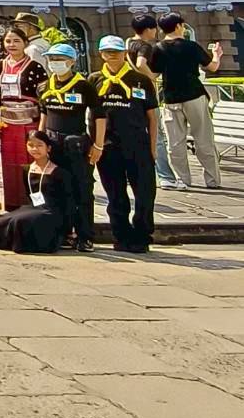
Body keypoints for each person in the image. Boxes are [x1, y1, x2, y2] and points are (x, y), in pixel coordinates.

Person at [91, 35, 158, 253]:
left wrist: (153, 147)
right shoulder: (94, 80)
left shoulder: (140, 80)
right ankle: (121, 234)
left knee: (145, 193)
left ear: (125, 53)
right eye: (108, 52)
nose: (112, 56)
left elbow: (152, 117)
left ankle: (142, 234)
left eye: (117, 52)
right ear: (101, 54)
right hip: (108, 145)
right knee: (115, 195)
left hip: (137, 143)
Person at [38, 41, 105, 251]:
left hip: (75, 142)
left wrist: (98, 144)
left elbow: (99, 116)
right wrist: (39, 142)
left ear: (72, 62)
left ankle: (85, 235)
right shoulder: (44, 85)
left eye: (60, 59)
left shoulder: (83, 85)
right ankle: (64, 232)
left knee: (82, 190)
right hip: (52, 142)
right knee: (57, 189)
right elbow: (44, 113)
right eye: (52, 59)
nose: (55, 63)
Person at [151, 12, 223, 189]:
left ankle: (183, 180)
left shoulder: (158, 48)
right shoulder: (191, 46)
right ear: (178, 26)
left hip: (170, 98)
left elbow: (153, 73)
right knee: (204, 139)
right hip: (194, 95)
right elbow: (212, 67)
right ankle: (212, 180)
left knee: (175, 142)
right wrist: (217, 55)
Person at [0, 130, 68, 254]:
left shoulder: (59, 172)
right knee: (1, 219)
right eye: (31, 145)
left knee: (20, 220)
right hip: (34, 207)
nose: (35, 149)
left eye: (39, 145)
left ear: (48, 148)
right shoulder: (27, 169)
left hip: (51, 211)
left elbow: (67, 200)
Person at [0, 26, 45, 208]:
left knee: (30, 162)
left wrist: (42, 125)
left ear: (25, 43)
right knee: (9, 164)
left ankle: (33, 204)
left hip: (29, 123)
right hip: (7, 124)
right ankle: (11, 204)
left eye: (16, 41)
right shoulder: (0, 66)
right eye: (8, 41)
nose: (12, 44)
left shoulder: (35, 67)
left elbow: (43, 98)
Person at [126, 13, 177, 190]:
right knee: (157, 135)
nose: (156, 32)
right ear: (148, 29)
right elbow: (140, 63)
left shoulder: (128, 43)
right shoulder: (145, 46)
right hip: (145, 94)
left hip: (130, 94)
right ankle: (165, 175)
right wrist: (152, 77)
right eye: (154, 28)